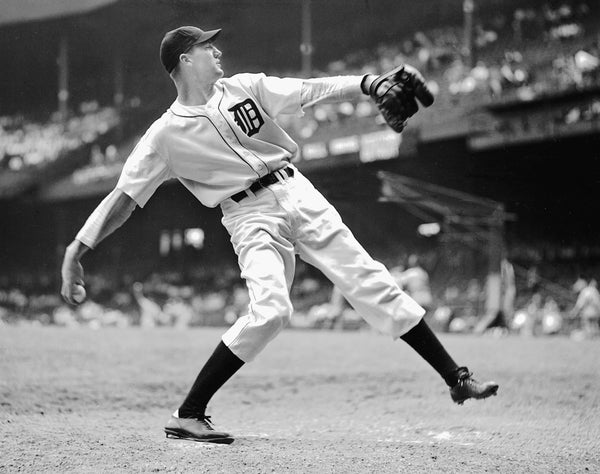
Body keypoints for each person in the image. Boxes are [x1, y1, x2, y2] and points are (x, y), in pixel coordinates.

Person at [60, 26, 498, 445]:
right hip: (247, 215)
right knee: (271, 310)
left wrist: (369, 83)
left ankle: (456, 378)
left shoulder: (244, 87)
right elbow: (125, 196)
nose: (217, 53)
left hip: (296, 190)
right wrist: (78, 249)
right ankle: (189, 414)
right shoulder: (164, 136)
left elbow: (309, 90)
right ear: (185, 59)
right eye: (207, 48)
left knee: (369, 278)